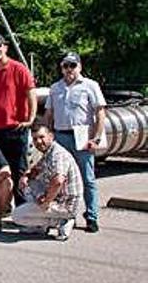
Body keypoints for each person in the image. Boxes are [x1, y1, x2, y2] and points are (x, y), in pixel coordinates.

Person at [43, 52, 106, 233]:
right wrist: (47, 136)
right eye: (65, 66)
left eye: (72, 65)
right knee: (60, 178)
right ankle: (63, 216)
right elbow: (49, 113)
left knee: (87, 177)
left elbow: (100, 112)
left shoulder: (90, 86)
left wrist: (96, 138)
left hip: (82, 135)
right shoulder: (55, 88)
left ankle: (92, 216)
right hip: (61, 135)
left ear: (79, 67)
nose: (69, 69)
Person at [0, 33, 37, 204]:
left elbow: (31, 94)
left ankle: (22, 209)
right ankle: (0, 206)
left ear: (5, 47)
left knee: (18, 169)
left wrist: (31, 119)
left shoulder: (19, 68)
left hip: (15, 127)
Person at [13, 124, 83, 241]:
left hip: (66, 203)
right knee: (27, 184)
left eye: (42, 137)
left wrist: (46, 201)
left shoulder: (57, 155)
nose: (39, 142)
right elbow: (36, 169)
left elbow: (58, 181)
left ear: (51, 136)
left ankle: (62, 220)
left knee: (17, 216)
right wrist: (25, 176)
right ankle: (40, 226)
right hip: (58, 197)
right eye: (35, 139)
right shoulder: (48, 152)